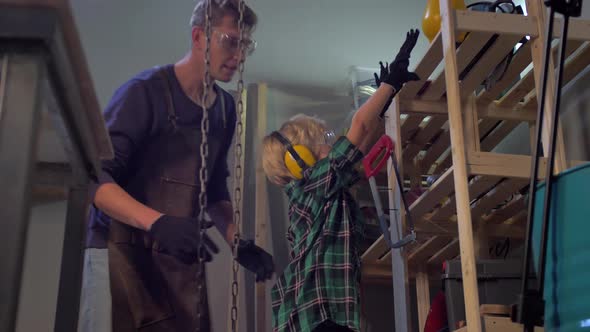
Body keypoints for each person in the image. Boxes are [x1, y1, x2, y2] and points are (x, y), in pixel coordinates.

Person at [78, 1, 275, 331]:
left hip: (175, 264)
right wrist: (158, 223)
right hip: (117, 254)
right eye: (230, 41)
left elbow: (213, 191)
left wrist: (236, 239)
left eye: (246, 45)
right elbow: (96, 178)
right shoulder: (144, 92)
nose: (239, 57)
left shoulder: (225, 110)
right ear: (199, 37)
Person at [261, 30, 421, 332]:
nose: (331, 142)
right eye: (324, 139)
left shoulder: (322, 187)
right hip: (317, 316)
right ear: (302, 158)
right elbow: (359, 128)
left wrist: (385, 102)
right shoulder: (312, 185)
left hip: (319, 317)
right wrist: (389, 84)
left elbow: (360, 143)